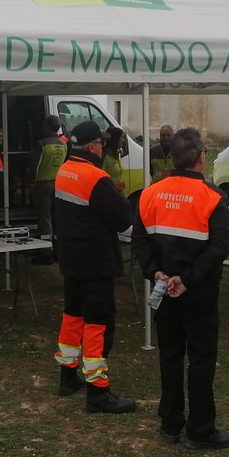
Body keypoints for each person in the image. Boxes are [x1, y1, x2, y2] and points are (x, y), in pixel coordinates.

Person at [132, 127, 229, 449]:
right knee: (201, 358)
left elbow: (139, 241)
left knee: (171, 356)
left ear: (171, 158)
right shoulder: (213, 196)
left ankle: (170, 424)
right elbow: (220, 247)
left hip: (164, 289)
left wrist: (156, 273)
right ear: (202, 157)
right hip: (198, 291)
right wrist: (187, 279)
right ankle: (200, 430)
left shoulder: (151, 193)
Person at [52, 120, 136, 414]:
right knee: (99, 324)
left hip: (72, 260)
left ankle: (67, 376)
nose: (104, 146)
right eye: (101, 143)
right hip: (96, 261)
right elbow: (124, 218)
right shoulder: (96, 178)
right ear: (92, 147)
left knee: (72, 317)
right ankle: (98, 392)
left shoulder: (64, 171)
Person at [25, 115, 68, 265]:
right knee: (57, 218)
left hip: (42, 184)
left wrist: (29, 182)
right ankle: (58, 250)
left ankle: (45, 252)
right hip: (58, 183)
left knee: (45, 219)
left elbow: (35, 168)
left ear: (47, 126)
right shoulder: (63, 144)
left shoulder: (41, 144)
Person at [102, 126, 128, 193]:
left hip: (119, 193)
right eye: (120, 137)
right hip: (109, 194)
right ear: (115, 139)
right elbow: (101, 179)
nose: (123, 140)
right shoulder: (105, 157)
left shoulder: (117, 154)